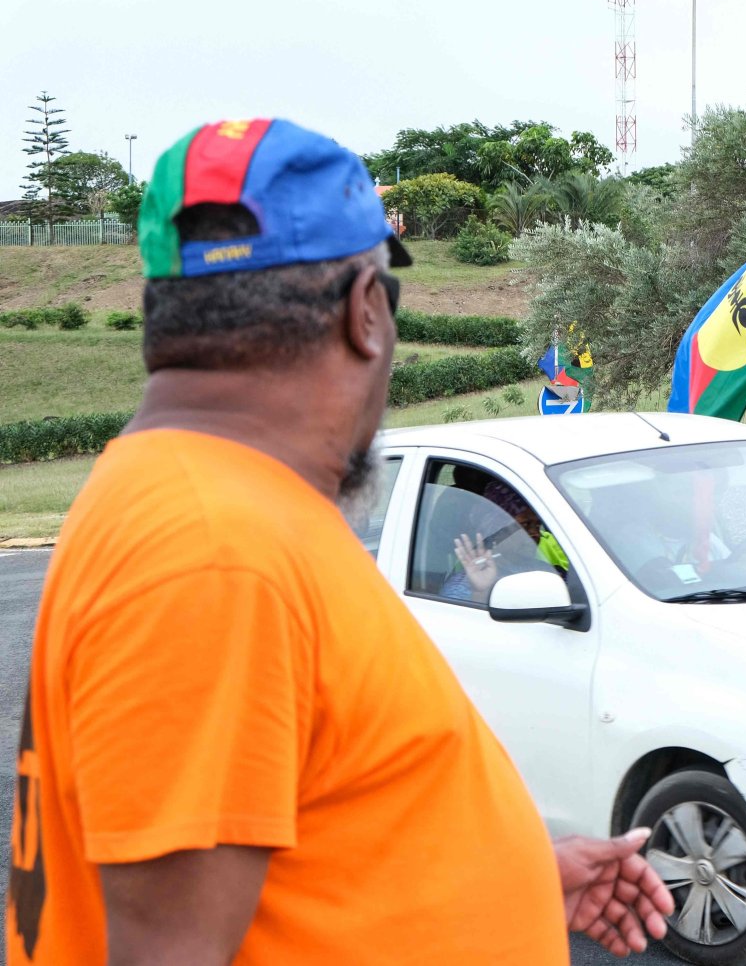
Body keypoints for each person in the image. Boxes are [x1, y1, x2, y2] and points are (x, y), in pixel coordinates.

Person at [7, 119, 672, 965]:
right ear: (366, 313)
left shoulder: (207, 505)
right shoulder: (216, 553)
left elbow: (306, 844)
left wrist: (504, 878)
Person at [445, 479, 570, 603]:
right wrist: (480, 592)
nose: (535, 533)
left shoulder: (545, 571)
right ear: (497, 530)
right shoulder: (464, 584)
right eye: (525, 525)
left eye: (537, 525)